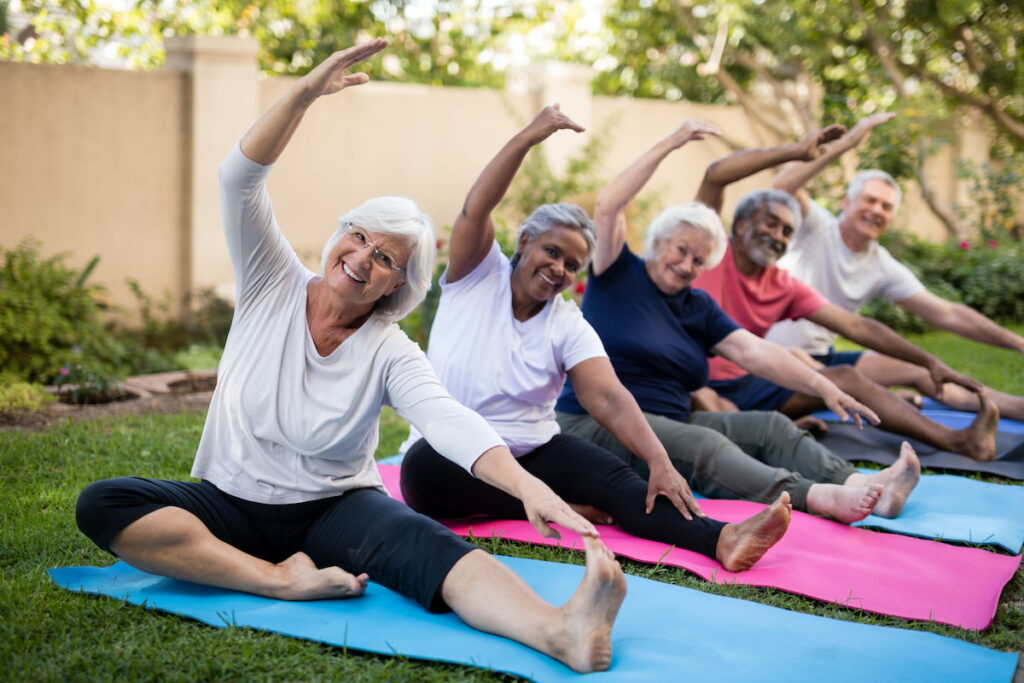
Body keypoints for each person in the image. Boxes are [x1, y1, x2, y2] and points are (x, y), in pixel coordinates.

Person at [73, 41, 629, 674]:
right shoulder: (270, 281)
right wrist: (306, 93)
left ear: (400, 284)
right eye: (359, 236)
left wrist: (529, 486)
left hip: (337, 509)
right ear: (339, 234)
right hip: (229, 500)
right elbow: (238, 178)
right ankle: (277, 580)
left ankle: (559, 630)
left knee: (427, 545)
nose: (364, 258)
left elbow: (449, 420)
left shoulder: (390, 349)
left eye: (387, 257)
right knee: (104, 503)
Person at [399, 106, 792, 573]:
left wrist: (659, 459)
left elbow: (607, 396)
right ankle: (550, 503)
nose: (559, 269)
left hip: (531, 450)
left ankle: (722, 538)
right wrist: (528, 137)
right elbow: (476, 207)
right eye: (552, 252)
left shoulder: (567, 323)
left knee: (620, 479)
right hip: (450, 457)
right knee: (419, 469)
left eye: (572, 265)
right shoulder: (475, 276)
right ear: (524, 242)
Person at [555, 119, 920, 522]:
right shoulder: (616, 273)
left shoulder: (697, 305)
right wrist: (672, 142)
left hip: (672, 419)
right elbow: (609, 205)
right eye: (681, 250)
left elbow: (754, 350)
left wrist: (823, 385)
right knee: (704, 446)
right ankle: (817, 496)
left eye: (699, 260)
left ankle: (862, 486)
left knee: (770, 427)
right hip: (595, 424)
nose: (687, 264)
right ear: (658, 241)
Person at [690, 133, 1000, 461]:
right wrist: (797, 151)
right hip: (690, 381)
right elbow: (714, 176)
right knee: (707, 399)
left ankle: (959, 441)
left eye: (786, 232)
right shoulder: (708, 250)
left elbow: (858, 327)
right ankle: (766, 428)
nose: (778, 236)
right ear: (739, 225)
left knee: (844, 378)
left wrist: (929, 362)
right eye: (770, 224)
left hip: (747, 382)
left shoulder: (782, 284)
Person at [766, 113, 1024, 422]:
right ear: (846, 203)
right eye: (870, 200)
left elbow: (947, 313)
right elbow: (780, 188)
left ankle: (1015, 408)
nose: (877, 210)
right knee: (839, 378)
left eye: (886, 207)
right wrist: (847, 144)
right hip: (772, 357)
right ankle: (878, 399)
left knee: (918, 368)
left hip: (823, 360)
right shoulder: (815, 226)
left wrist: (1018, 342)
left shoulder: (881, 264)